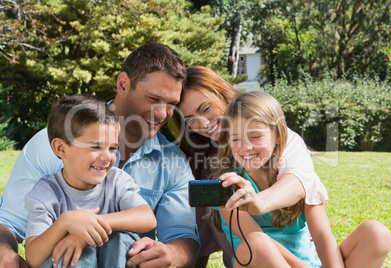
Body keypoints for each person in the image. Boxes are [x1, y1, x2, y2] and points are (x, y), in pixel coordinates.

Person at [0, 43, 199, 268]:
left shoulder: (171, 162)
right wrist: (5, 254)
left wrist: (172, 254)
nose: (163, 114)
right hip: (66, 261)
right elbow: (8, 223)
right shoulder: (53, 144)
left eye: (171, 104)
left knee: (120, 238)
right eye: (153, 99)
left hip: (121, 258)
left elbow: (181, 235)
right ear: (123, 84)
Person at [212, 91, 391, 267]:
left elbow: (322, 236)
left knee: (377, 233)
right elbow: (254, 239)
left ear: (278, 134)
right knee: (256, 244)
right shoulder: (228, 186)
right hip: (261, 261)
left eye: (256, 136)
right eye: (236, 139)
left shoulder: (298, 177)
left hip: (310, 263)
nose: (246, 147)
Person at [169, 66, 317, 267]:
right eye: (190, 120)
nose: (203, 123)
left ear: (222, 92)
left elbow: (299, 180)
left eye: (205, 109)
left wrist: (258, 202)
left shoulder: (276, 139)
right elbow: (199, 232)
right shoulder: (202, 162)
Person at [24, 95, 157, 268]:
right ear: (61, 148)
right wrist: (65, 223)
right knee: (68, 254)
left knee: (119, 238)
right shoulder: (46, 194)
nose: (107, 157)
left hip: (113, 261)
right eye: (95, 146)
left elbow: (147, 217)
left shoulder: (116, 181)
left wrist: (87, 231)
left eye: (112, 148)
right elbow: (34, 258)